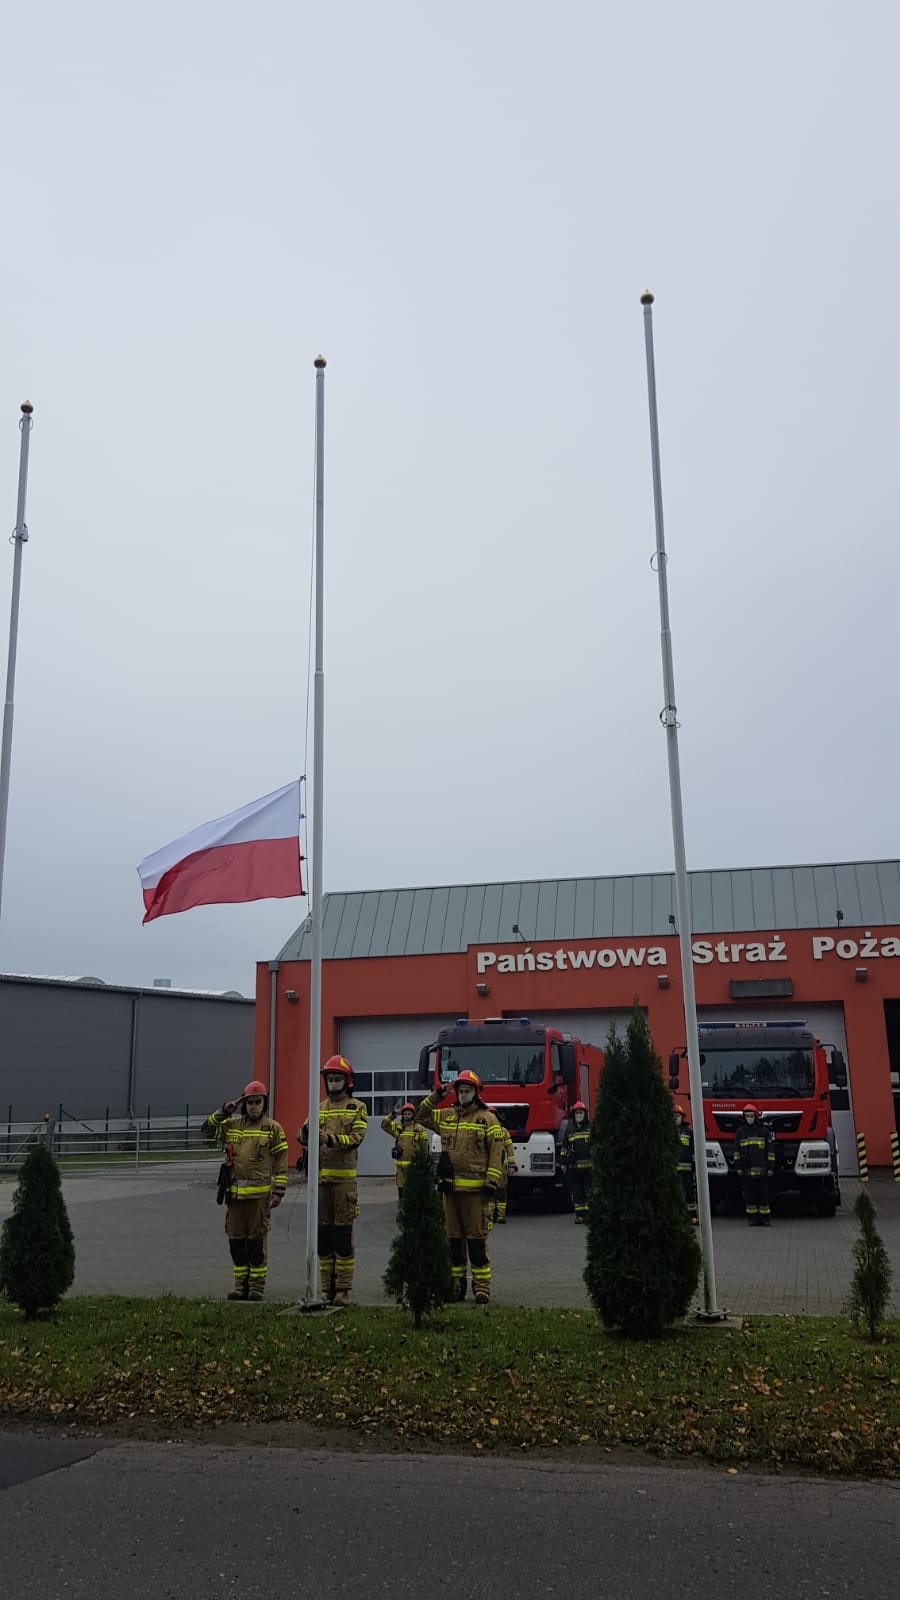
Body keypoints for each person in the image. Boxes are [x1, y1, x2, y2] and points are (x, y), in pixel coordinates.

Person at [415, 1069, 504, 1304]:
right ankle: (456, 1287)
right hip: (451, 1192)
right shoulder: (447, 1116)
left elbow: (497, 1154)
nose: (463, 1094)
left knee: (476, 1242)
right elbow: (420, 1116)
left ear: (476, 1092)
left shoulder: (487, 1119)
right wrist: (438, 1094)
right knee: (453, 1242)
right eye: (460, 1090)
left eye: (467, 1090)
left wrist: (491, 1183)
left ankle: (482, 1288)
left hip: (476, 1193)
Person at [203, 1079, 288, 1301]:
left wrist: (279, 1191)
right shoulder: (232, 1126)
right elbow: (206, 1130)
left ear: (264, 1103)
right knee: (236, 1242)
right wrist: (224, 1111)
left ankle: (256, 1287)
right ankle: (240, 1286)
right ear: (244, 1103)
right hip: (235, 1198)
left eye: (258, 1102)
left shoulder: (273, 1129)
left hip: (259, 1199)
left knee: (256, 1244)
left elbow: (281, 1161)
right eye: (250, 1102)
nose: (254, 1106)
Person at [298, 1055, 368, 1306]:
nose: (333, 1083)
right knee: (324, 1239)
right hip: (320, 1183)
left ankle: (342, 1290)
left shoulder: (357, 1107)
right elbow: (301, 1135)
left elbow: (356, 1138)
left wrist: (330, 1139)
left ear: (347, 1081)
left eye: (338, 1078)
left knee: (342, 1238)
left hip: (343, 1184)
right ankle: (326, 1289)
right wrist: (307, 1132)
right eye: (330, 1078)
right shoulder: (318, 1107)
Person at [734, 1104, 776, 1226]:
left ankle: (765, 1219)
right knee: (749, 1197)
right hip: (747, 1171)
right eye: (747, 1116)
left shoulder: (764, 1131)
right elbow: (736, 1151)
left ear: (756, 1117)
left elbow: (770, 1151)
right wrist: (738, 1167)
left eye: (751, 1116)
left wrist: (771, 1168)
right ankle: (752, 1219)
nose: (749, 1118)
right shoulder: (740, 1132)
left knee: (763, 1197)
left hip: (762, 1172)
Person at [381, 1101, 429, 1200]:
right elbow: (384, 1125)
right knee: (401, 1189)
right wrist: (393, 1115)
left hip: (414, 1166)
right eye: (405, 1114)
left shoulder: (419, 1129)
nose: (407, 1116)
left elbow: (425, 1146)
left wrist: (424, 1162)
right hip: (400, 1167)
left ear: (413, 1115)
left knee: (414, 1190)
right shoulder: (398, 1128)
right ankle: (402, 1206)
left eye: (409, 1114)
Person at [561, 1101, 592, 1223]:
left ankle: (588, 1216)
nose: (579, 1115)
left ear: (585, 1114)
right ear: (574, 1115)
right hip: (574, 1168)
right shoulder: (569, 1130)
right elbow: (564, 1147)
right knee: (577, 1193)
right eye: (577, 1113)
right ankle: (579, 1216)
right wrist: (563, 1163)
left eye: (581, 1113)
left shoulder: (590, 1128)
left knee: (588, 1192)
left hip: (588, 1168)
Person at [673, 1105, 698, 1225]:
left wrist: (695, 1166)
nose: (676, 1118)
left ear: (682, 1117)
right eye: (674, 1116)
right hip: (672, 1169)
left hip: (687, 1169)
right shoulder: (667, 1130)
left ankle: (692, 1216)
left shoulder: (688, 1132)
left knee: (689, 1192)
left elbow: (693, 1149)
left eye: (678, 1116)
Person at [492, 1124, 516, 1225]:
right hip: (489, 1165)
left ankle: (500, 1215)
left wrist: (511, 1165)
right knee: (489, 1191)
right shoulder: (485, 1129)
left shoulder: (503, 1131)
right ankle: (491, 1214)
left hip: (500, 1165)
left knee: (500, 1190)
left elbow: (509, 1148)